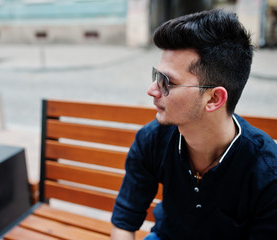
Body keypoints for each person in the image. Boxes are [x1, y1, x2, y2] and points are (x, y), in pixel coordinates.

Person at [111, 9, 277, 240]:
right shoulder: (152, 139)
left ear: (214, 99)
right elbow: (124, 221)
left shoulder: (267, 172)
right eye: (156, 76)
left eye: (167, 81)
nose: (152, 90)